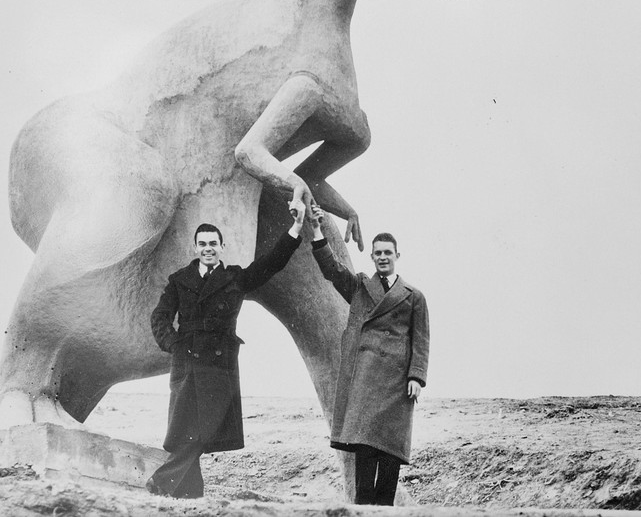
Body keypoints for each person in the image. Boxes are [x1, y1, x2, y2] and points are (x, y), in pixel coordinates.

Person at [147, 201, 305, 498]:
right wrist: (174, 344)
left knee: (206, 427)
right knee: (186, 428)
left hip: (219, 362)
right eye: (203, 244)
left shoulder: (235, 278)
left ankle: (163, 482)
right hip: (186, 359)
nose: (208, 249)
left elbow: (272, 263)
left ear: (222, 247)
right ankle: (189, 492)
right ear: (195, 247)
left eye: (213, 244)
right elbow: (160, 316)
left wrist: (295, 228)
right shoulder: (179, 280)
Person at [308, 205, 430, 505]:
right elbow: (332, 270)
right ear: (372, 257)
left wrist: (417, 377)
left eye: (388, 252)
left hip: (397, 385)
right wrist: (316, 230)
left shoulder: (414, 296)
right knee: (364, 457)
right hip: (364, 383)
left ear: (397, 255)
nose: (383, 257)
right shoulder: (360, 287)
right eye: (378, 253)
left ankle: (385, 510)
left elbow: (421, 340)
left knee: (389, 458)